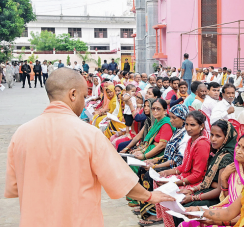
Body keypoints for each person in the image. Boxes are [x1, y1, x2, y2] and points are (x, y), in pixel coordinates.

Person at [4, 68, 174, 227]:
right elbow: (120, 179)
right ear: (73, 94)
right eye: (83, 96)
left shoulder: (21, 134)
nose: (84, 101)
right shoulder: (88, 134)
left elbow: (15, 188)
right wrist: (150, 196)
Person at [179, 132, 244, 227]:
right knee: (187, 222)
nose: (239, 151)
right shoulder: (233, 169)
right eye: (238, 146)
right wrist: (224, 178)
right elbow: (229, 198)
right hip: (229, 209)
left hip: (241, 215)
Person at [148, 110, 209, 226]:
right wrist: (168, 172)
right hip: (188, 176)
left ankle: (170, 224)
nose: (188, 128)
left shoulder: (201, 144)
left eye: (193, 125)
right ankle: (166, 221)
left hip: (197, 182)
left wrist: (176, 182)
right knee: (158, 180)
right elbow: (183, 166)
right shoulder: (191, 140)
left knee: (165, 192)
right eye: (187, 124)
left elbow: (197, 175)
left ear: (201, 126)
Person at [172, 120, 237, 226]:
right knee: (178, 202)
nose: (213, 139)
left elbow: (219, 190)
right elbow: (208, 181)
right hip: (208, 190)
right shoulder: (218, 151)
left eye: (218, 136)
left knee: (184, 207)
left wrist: (193, 197)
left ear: (226, 138)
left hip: (217, 199)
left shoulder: (227, 157)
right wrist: (191, 190)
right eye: (211, 135)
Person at [127, 99, 174, 174]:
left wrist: (144, 156)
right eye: (153, 108)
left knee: (133, 165)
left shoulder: (166, 124)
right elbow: (151, 141)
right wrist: (141, 151)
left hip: (160, 156)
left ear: (165, 111)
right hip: (151, 152)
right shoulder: (157, 121)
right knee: (130, 158)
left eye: (158, 109)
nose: (155, 111)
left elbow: (162, 146)